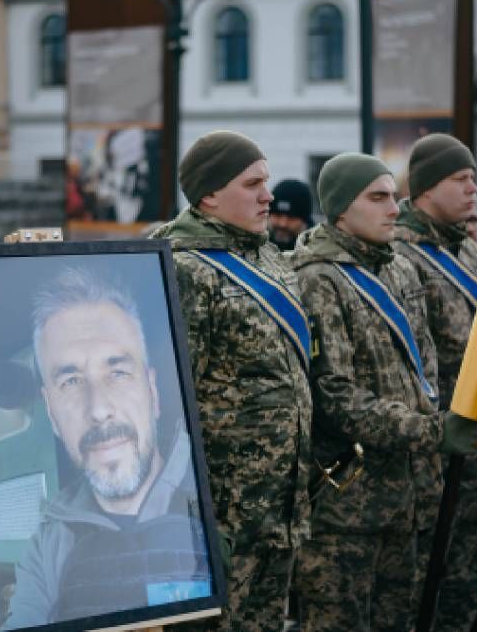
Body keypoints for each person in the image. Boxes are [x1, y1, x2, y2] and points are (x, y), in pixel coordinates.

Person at [291, 153, 477, 632]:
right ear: (338, 210)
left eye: (393, 196)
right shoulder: (317, 279)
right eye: (377, 198)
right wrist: (430, 431)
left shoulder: (398, 270)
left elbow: (425, 372)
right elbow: (333, 395)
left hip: (407, 496)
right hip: (348, 504)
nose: (394, 208)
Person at [150, 130, 312, 632]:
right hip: (224, 515)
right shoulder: (185, 269)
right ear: (209, 195)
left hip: (277, 506)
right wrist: (190, 520)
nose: (268, 195)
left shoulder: (265, 256)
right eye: (252, 184)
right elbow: (169, 408)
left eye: (265, 181)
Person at [3, 267, 210, 628]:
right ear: (51, 413)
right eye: (71, 381)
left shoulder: (214, 490)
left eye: (117, 373)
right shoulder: (48, 546)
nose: (98, 409)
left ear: (153, 392)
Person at [394, 133, 477, 632]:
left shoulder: (469, 253)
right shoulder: (401, 258)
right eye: (460, 178)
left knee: (465, 570)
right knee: (424, 580)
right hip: (433, 454)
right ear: (427, 186)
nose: (473, 188)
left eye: (474, 177)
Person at [268, 178, 315, 251]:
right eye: (278, 215)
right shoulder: (254, 248)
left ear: (305, 220)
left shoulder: (321, 253)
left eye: (291, 217)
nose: (283, 224)